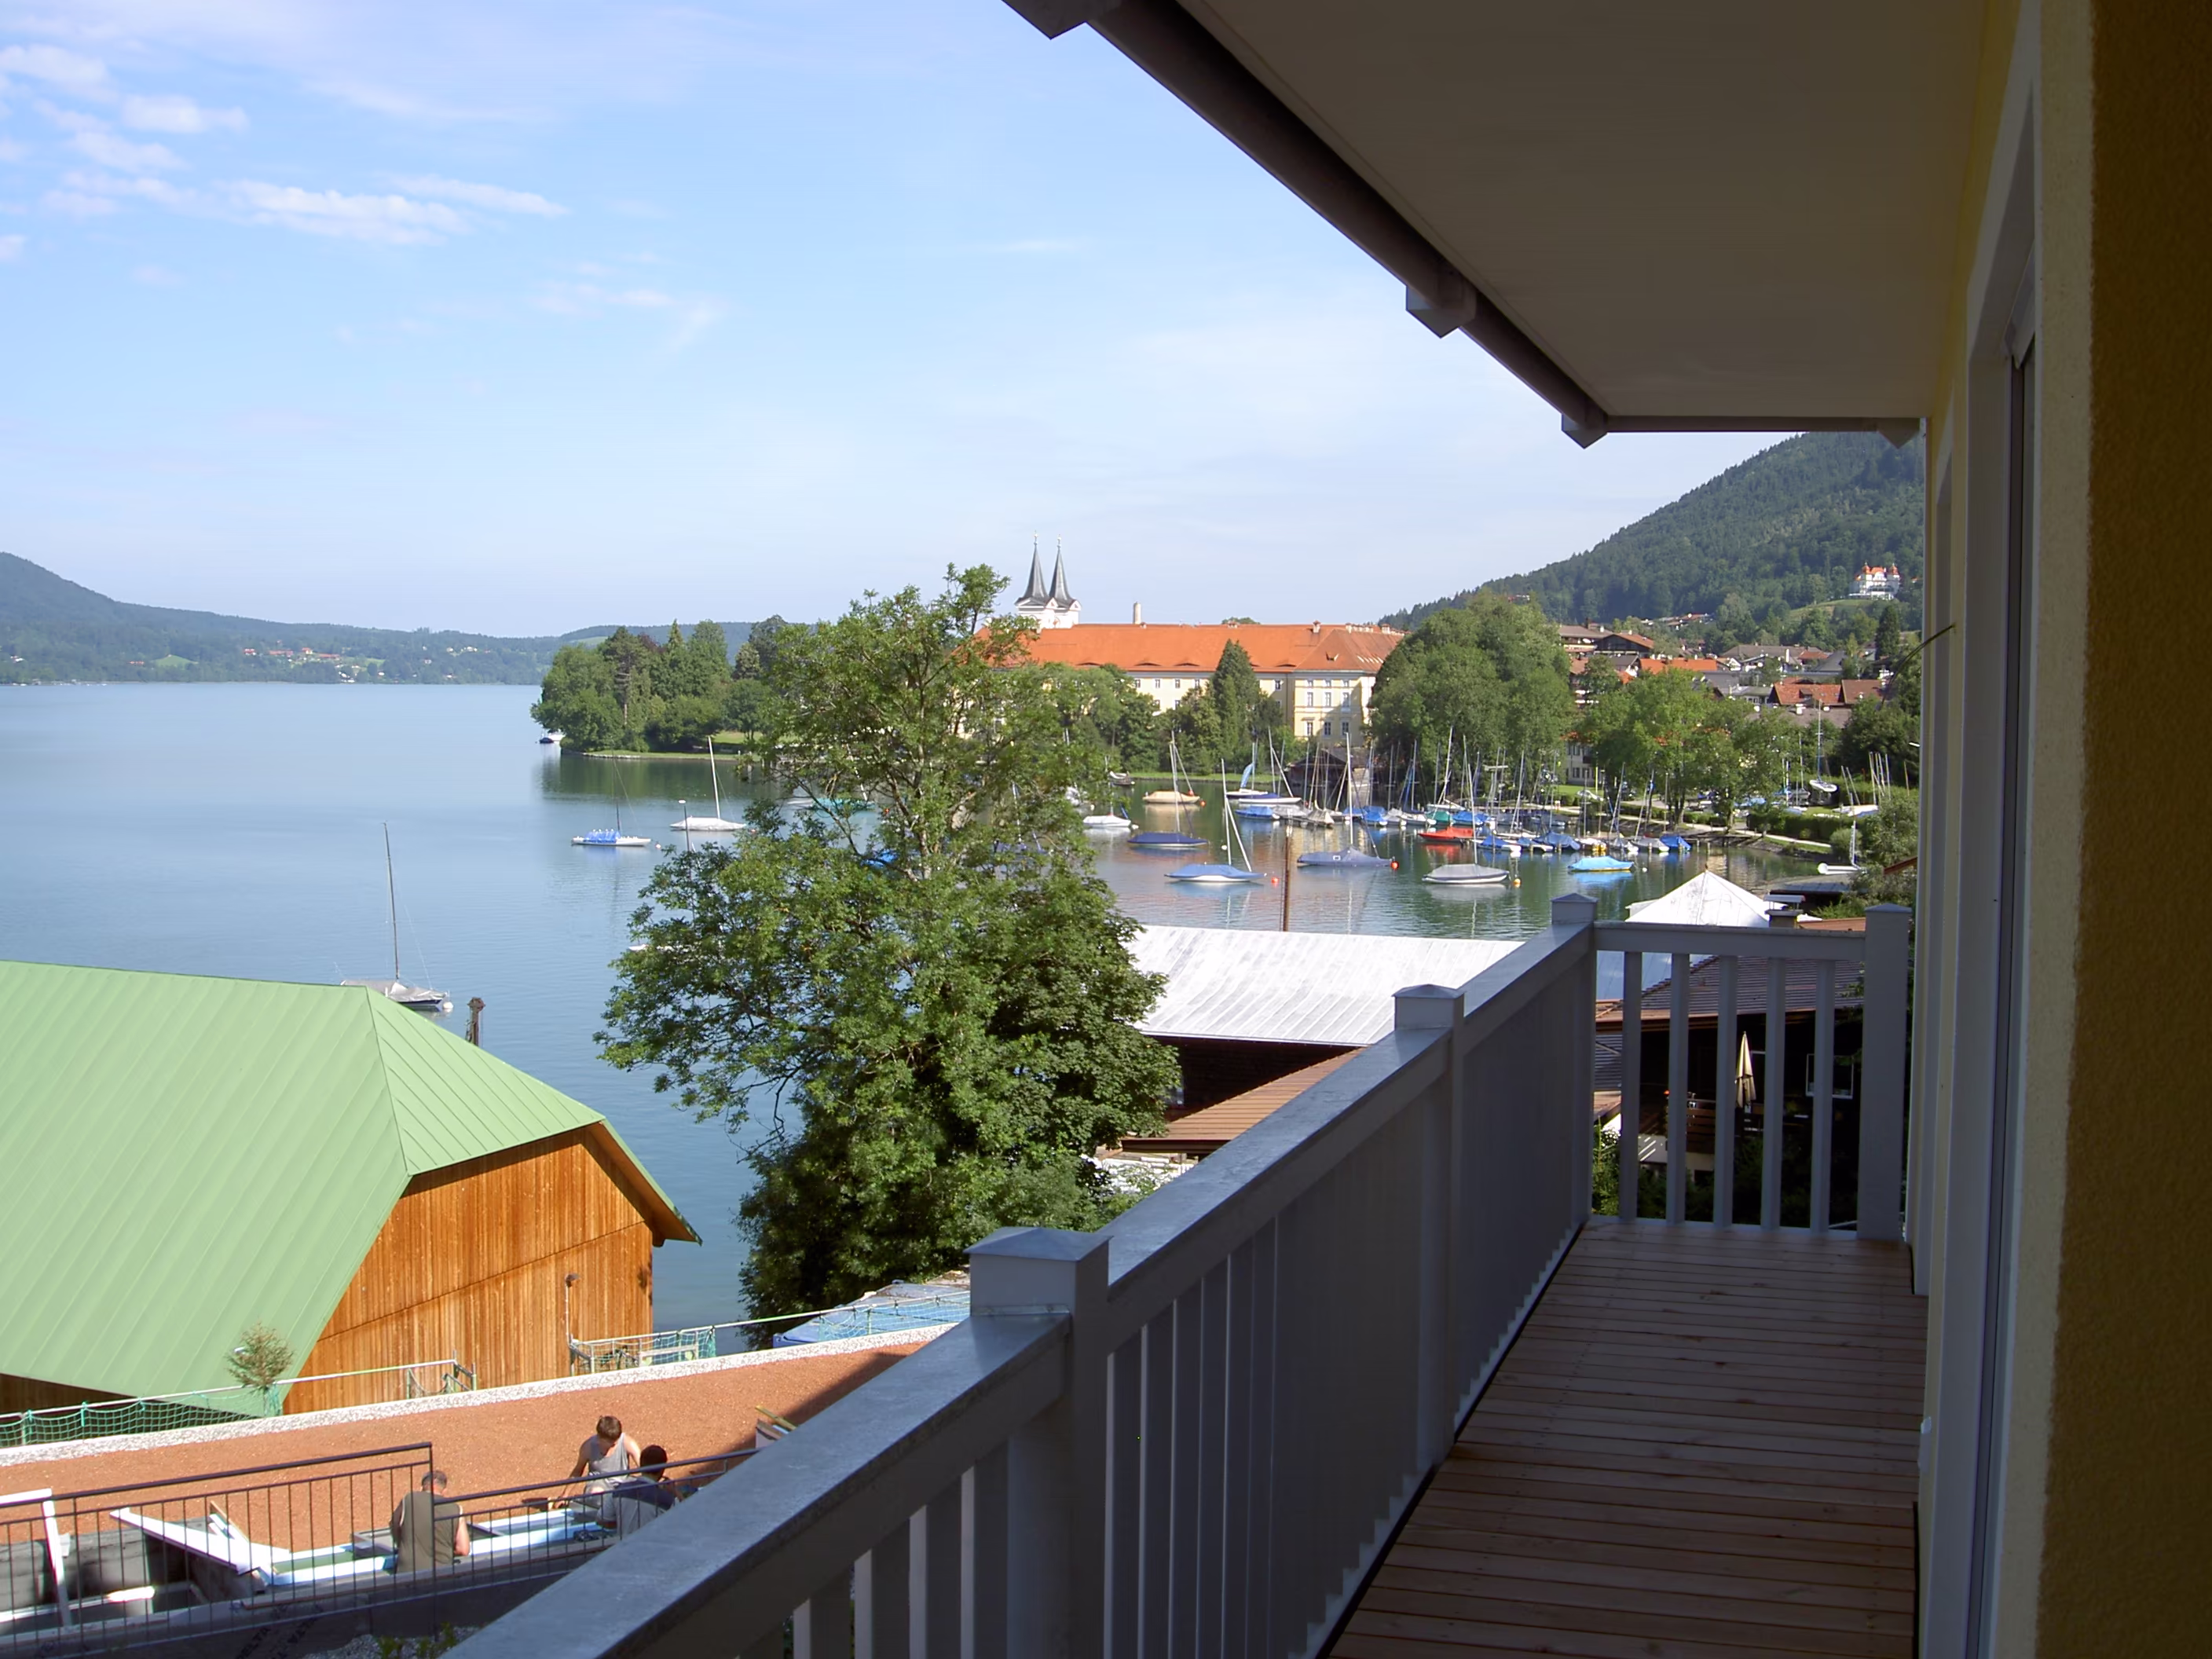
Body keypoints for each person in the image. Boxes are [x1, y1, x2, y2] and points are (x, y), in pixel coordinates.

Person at [389, 1470, 470, 1573]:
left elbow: (394, 1525)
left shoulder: (409, 1499)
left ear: (422, 1488)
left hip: (408, 1573)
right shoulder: (456, 1509)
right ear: (444, 1491)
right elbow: (463, 1550)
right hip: (442, 1573)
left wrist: (402, 1545)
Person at [567, 1414, 643, 1525]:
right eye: (611, 1444)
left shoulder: (628, 1443)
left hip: (623, 1483)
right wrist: (565, 1495)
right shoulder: (588, 1447)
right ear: (599, 1438)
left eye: (616, 1442)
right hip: (599, 1483)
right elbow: (578, 1471)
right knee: (596, 1494)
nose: (614, 1445)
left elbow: (644, 1468)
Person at [606, 1444, 683, 1538]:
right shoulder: (668, 1500)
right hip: (653, 1545)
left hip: (625, 1545)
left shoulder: (619, 1490)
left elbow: (602, 1520)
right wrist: (675, 1492)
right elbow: (686, 1519)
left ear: (641, 1465)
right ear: (662, 1469)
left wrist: (623, 1522)